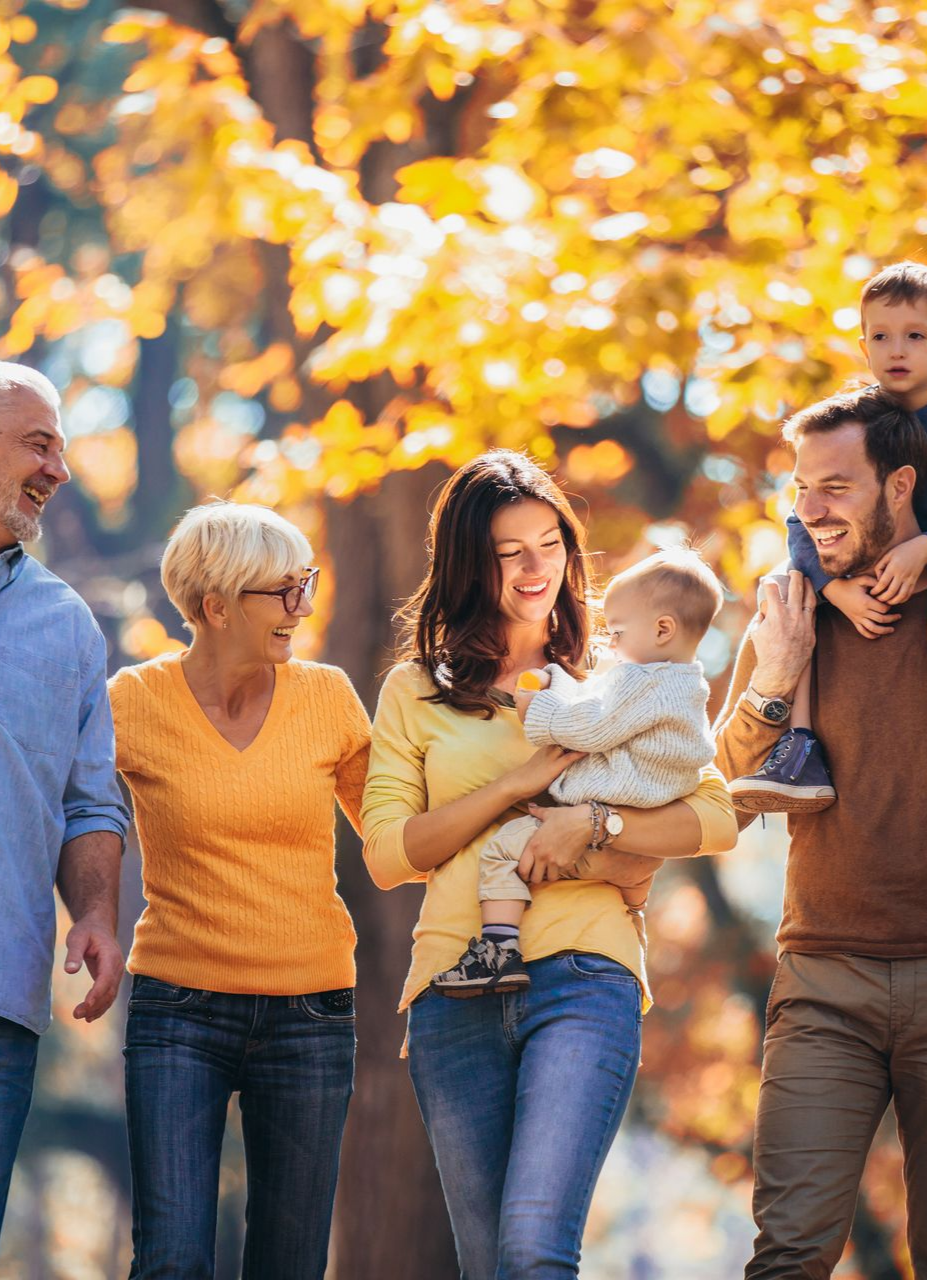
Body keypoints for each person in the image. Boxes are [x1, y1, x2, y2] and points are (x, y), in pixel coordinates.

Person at [362, 451, 737, 1280]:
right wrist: (522, 782)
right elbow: (389, 854)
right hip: (452, 992)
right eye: (511, 553)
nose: (539, 569)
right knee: (489, 1263)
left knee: (534, 1251)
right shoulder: (413, 691)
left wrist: (596, 822)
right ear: (469, 564)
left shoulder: (622, 674)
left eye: (551, 544)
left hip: (582, 977)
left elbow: (716, 817)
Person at [108, 501, 371, 1280]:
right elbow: (72, 810)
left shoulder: (328, 698)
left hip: (312, 1012)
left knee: (289, 1266)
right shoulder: (133, 702)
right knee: (172, 1260)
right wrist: (86, 917)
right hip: (178, 1010)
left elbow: (399, 840)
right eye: (282, 591)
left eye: (306, 584)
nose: (304, 606)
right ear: (214, 606)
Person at [714, 385, 927, 1278]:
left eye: (836, 487)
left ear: (900, 486)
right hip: (823, 978)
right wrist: (778, 675)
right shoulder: (791, 608)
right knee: (791, 1252)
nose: (812, 510)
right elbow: (725, 785)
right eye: (802, 489)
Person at [0, 361, 129, 1279]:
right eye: (38, 444)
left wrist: (97, 915)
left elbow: (88, 799)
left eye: (61, 447)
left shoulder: (65, 626)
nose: (59, 470)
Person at [431, 547, 723, 996]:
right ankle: (633, 918)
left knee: (502, 852)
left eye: (619, 631)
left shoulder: (639, 680)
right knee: (630, 880)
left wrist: (537, 708)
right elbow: (599, 701)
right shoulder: (684, 683)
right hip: (644, 812)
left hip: (610, 798)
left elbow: (590, 726)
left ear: (663, 629)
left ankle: (497, 950)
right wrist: (559, 680)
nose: (611, 643)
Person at [733, 260, 927, 811]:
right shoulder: (866, 417)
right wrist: (829, 586)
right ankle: (798, 746)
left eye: (916, 336)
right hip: (852, 578)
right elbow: (800, 523)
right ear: (862, 345)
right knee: (788, 594)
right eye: (881, 337)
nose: (898, 351)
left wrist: (922, 547)